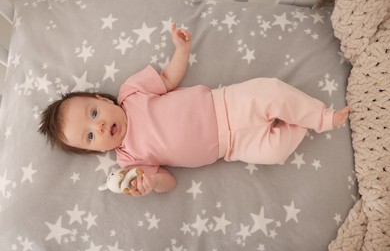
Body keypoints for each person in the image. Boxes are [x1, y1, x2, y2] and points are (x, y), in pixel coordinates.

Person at [39, 22, 351, 197]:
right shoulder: (129, 159)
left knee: (271, 91)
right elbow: (168, 181)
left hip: (227, 103)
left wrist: (181, 51)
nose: (101, 127)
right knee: (275, 152)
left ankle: (319, 117)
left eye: (94, 115)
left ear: (102, 100)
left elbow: (168, 78)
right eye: (91, 137)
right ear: (97, 152)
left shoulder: (131, 93)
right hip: (232, 147)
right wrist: (150, 185)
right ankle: (300, 123)